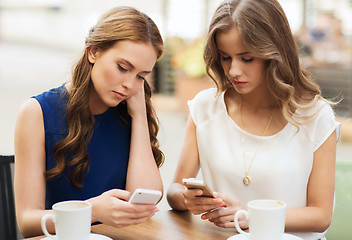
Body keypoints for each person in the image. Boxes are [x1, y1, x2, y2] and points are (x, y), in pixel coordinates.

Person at [166, 1, 340, 240]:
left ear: (275, 53)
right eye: (225, 57)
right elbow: (175, 189)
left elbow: (321, 216)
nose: (234, 70)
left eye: (247, 58)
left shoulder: (315, 117)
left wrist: (250, 216)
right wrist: (187, 199)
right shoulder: (205, 107)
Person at [14, 6, 164, 238]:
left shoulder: (130, 112)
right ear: (93, 52)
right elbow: (27, 222)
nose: (129, 85)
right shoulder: (37, 112)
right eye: (123, 68)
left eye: (141, 76)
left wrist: (140, 116)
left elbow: (144, 200)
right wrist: (92, 211)